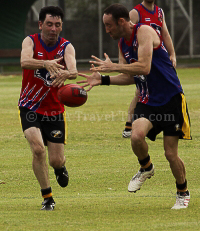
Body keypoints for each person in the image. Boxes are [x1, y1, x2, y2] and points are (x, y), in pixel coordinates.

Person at [78, 3, 191, 209]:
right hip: (148, 101)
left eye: (109, 25)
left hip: (171, 98)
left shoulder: (145, 31)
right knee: (136, 136)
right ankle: (146, 167)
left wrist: (113, 66)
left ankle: (183, 192)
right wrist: (103, 79)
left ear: (122, 22)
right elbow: (131, 76)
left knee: (170, 153)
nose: (107, 30)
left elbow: (144, 67)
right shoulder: (123, 43)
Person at [18, 6, 78, 210]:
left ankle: (60, 168)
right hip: (30, 106)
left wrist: (66, 74)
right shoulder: (31, 41)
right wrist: (45, 63)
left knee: (55, 160)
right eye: (49, 24)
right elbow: (24, 62)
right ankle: (48, 197)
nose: (53, 28)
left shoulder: (66, 46)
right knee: (37, 150)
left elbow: (74, 71)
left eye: (58, 25)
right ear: (41, 24)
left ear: (61, 26)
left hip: (54, 110)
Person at [122, 0, 177, 138]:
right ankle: (130, 125)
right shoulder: (135, 13)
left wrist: (172, 54)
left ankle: (137, 124)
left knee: (144, 92)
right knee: (140, 92)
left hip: (158, 62)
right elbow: (127, 35)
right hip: (144, 60)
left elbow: (165, 34)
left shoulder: (159, 12)